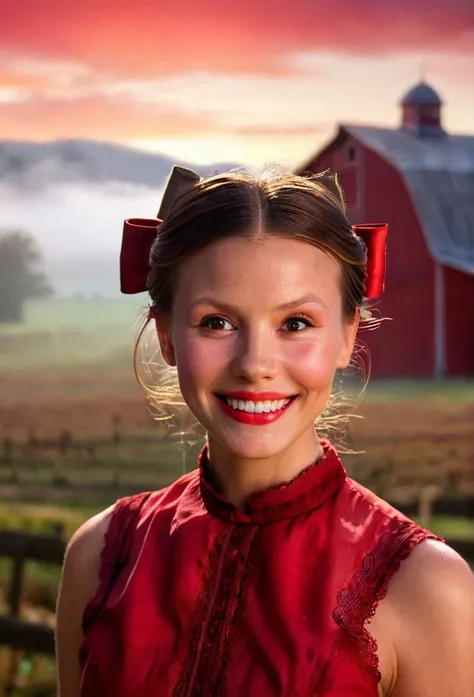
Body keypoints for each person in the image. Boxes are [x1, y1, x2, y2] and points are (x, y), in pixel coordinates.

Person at [56, 166, 474, 697]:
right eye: (217, 322)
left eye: (295, 323)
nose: (255, 364)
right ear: (166, 336)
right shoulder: (98, 555)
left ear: (347, 336)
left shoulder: (427, 587)